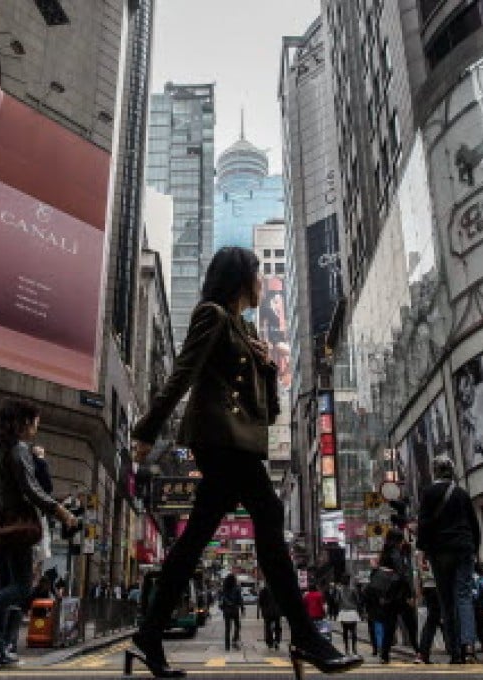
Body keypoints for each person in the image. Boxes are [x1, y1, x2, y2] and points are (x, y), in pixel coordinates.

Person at [129, 247, 362, 679]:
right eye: (257, 276)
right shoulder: (213, 316)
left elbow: (269, 413)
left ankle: (148, 635)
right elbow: (182, 374)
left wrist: (268, 368)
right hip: (218, 440)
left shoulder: (245, 328)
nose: (261, 284)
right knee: (267, 516)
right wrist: (146, 430)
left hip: (239, 443)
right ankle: (307, 638)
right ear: (241, 278)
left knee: (197, 536)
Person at [0, 399, 78, 670]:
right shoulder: (18, 450)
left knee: (3, 592)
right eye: (34, 424)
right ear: (22, 423)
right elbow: (31, 489)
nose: (35, 430)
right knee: (20, 587)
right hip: (17, 527)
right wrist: (61, 512)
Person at [416, 454, 480, 664]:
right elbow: (473, 523)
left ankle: (454, 651)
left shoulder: (429, 493)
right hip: (464, 547)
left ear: (435, 471)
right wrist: (475, 548)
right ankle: (469, 646)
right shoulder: (461, 493)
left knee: (446, 600)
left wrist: (422, 550)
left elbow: (424, 523)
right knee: (464, 596)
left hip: (440, 549)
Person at [367, 528, 415, 663]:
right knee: (410, 625)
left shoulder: (385, 554)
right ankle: (419, 652)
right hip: (399, 595)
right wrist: (409, 594)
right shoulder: (395, 553)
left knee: (389, 626)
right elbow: (401, 574)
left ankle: (385, 655)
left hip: (388, 596)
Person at [415, 554, 442, 664]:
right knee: (436, 620)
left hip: (428, 587)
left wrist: (419, 591)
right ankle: (423, 653)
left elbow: (418, 574)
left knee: (432, 621)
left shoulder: (421, 553)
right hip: (437, 586)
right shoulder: (434, 550)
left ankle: (422, 653)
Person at [334, 576, 361, 655]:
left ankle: (346, 649)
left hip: (343, 612)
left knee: (345, 631)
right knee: (353, 631)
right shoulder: (353, 590)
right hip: (352, 612)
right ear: (349, 581)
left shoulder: (340, 590)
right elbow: (358, 600)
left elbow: (336, 600)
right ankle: (354, 649)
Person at [220, 574, 244, 651]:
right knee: (237, 626)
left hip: (227, 610)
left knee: (227, 629)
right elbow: (240, 599)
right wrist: (242, 609)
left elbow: (222, 598)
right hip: (235, 610)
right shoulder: (237, 588)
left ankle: (227, 647)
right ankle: (234, 640)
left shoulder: (225, 588)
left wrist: (227, 603)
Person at [257, 584, 282, 650]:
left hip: (267, 612)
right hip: (277, 611)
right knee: (277, 627)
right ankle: (277, 640)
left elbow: (260, 601)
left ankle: (269, 642)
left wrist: (263, 608)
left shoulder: (264, 590)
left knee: (268, 627)